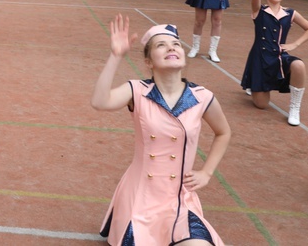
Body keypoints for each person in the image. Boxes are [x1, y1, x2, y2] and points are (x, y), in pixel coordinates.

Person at [91, 16, 231, 246]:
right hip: (140, 199)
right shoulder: (137, 90)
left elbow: (224, 132)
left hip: (179, 200)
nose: (171, 48)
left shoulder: (202, 97)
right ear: (149, 62)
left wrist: (207, 172)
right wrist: (116, 56)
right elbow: (99, 101)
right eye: (161, 45)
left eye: (176, 44)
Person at [241, 0, 308, 126]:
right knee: (261, 105)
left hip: (279, 55)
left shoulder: (290, 13)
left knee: (298, 65)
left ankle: (295, 108)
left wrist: (294, 44)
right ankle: (255, 85)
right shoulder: (259, 11)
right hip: (260, 58)